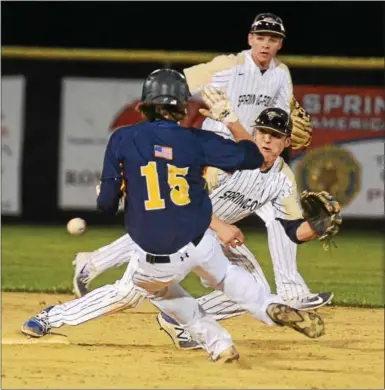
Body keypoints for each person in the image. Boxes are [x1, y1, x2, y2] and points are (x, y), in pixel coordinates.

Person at [21, 72, 325, 364]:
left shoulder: (125, 139)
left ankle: (53, 317)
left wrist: (115, 192)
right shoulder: (198, 140)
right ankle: (260, 311)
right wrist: (230, 119)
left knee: (139, 292)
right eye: (265, 133)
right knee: (236, 281)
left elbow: (107, 205)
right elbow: (248, 159)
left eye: (276, 135)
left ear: (144, 105)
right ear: (183, 108)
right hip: (202, 236)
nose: (269, 140)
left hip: (162, 245)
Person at [73, 12, 330, 310]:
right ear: (250, 39)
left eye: (273, 39)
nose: (265, 44)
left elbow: (283, 115)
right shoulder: (228, 66)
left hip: (250, 158)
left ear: (280, 44)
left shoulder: (280, 74)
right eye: (260, 37)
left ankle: (292, 291)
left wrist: (284, 133)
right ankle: (94, 262)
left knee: (273, 212)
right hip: (217, 159)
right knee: (178, 217)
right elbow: (175, 85)